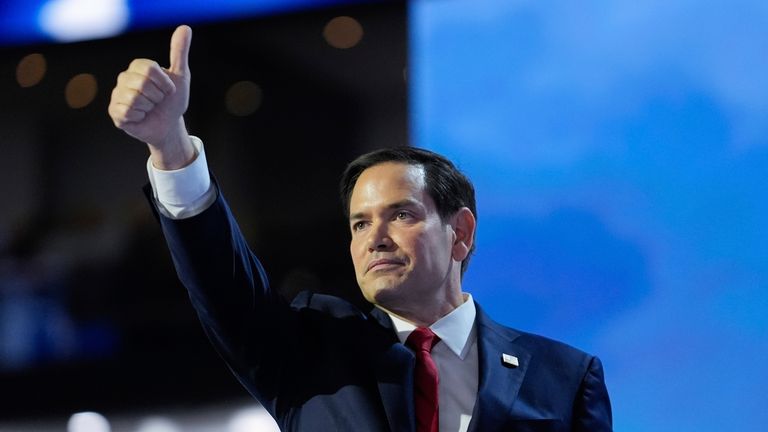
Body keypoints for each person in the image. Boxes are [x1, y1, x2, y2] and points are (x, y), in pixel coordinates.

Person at [108, 25, 613, 432]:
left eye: (400, 214)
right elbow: (222, 283)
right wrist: (170, 147)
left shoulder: (564, 378)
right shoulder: (307, 352)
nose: (375, 237)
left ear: (460, 232)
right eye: (359, 223)